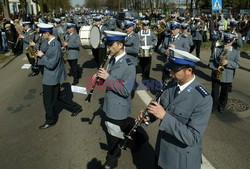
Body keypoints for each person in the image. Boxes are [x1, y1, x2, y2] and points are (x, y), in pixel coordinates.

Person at [137, 48, 213, 169]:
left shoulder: (203, 99)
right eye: (170, 69)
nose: (170, 74)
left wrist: (164, 116)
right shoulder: (171, 85)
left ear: (189, 71)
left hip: (180, 160)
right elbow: (162, 108)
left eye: (174, 71)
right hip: (161, 151)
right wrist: (148, 117)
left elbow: (192, 138)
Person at [92, 30, 136, 169]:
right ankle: (137, 137)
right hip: (110, 103)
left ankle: (112, 160)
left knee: (113, 138)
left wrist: (107, 77)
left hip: (118, 107)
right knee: (115, 132)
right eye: (108, 44)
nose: (108, 47)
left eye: (111, 45)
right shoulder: (112, 58)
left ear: (121, 45)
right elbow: (109, 80)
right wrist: (99, 79)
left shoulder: (129, 65)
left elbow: (125, 90)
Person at [36, 23, 67, 129]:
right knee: (53, 99)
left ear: (47, 33)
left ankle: (50, 120)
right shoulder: (51, 42)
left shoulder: (54, 45)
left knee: (47, 101)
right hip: (52, 76)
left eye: (42, 34)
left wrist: (42, 56)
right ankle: (53, 116)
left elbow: (51, 64)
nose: (41, 35)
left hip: (51, 77)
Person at [209, 33, 240, 113]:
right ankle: (214, 106)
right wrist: (214, 68)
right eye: (225, 42)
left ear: (233, 41)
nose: (227, 44)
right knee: (215, 92)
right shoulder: (217, 49)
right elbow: (211, 62)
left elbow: (237, 64)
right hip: (216, 74)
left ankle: (222, 105)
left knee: (224, 93)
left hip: (227, 76)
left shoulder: (236, 52)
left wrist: (228, 63)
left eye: (229, 42)